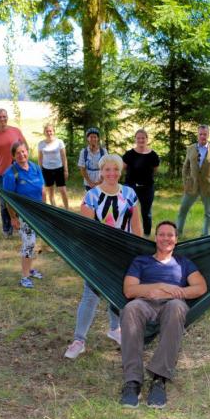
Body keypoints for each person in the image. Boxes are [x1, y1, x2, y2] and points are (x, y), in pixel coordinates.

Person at [119, 221, 207, 409]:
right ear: (156, 238)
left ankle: (159, 379)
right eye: (162, 234)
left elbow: (200, 287)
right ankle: (132, 381)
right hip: (144, 303)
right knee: (130, 309)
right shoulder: (141, 261)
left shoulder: (184, 263)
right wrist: (159, 286)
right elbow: (129, 290)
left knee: (176, 307)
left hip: (172, 303)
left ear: (176, 240)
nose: (166, 238)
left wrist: (173, 293)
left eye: (170, 235)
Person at [65, 154, 144, 359]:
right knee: (90, 295)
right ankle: (79, 340)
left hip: (124, 253)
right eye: (108, 170)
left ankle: (115, 329)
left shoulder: (129, 194)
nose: (112, 173)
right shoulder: (92, 196)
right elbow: (86, 231)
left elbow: (137, 226)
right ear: (101, 172)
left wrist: (140, 250)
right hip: (98, 254)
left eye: (116, 169)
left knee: (119, 293)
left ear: (120, 171)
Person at [2, 141, 46, 289]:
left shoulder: (35, 167)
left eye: (24, 151)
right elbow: (8, 199)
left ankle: (30, 269)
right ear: (13, 156)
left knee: (33, 241)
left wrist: (45, 209)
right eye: (18, 153)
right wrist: (13, 218)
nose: (22, 155)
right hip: (23, 215)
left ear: (27, 151)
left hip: (37, 212)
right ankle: (25, 276)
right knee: (29, 243)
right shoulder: (11, 173)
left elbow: (43, 189)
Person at [0, 108, 26, 237]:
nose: (2, 119)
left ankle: (19, 227)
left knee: (18, 200)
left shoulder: (16, 131)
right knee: (4, 203)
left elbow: (25, 148)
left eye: (4, 116)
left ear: (7, 117)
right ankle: (7, 230)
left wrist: (24, 165)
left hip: (16, 172)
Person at [176, 125, 210, 237]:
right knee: (183, 210)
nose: (202, 136)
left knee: (208, 213)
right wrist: (185, 182)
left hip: (208, 186)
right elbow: (185, 167)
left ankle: (205, 235)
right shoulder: (190, 148)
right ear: (197, 135)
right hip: (192, 186)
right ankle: (178, 233)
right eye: (200, 134)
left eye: (205, 134)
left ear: (208, 135)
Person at [123, 129, 160, 237]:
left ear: (147, 139)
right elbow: (123, 168)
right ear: (135, 139)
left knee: (146, 213)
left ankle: (146, 235)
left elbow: (155, 169)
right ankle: (127, 232)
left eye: (143, 138)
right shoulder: (129, 154)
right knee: (128, 210)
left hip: (147, 187)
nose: (141, 140)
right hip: (130, 186)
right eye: (138, 138)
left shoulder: (153, 155)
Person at [37, 123, 70, 209]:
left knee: (63, 191)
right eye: (47, 131)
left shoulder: (59, 142)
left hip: (59, 169)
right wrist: (39, 171)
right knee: (50, 192)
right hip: (46, 170)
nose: (49, 133)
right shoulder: (41, 144)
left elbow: (64, 157)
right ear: (44, 132)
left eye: (50, 131)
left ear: (54, 132)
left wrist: (66, 170)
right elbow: (40, 158)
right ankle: (54, 210)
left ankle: (67, 210)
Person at [77, 127, 106, 191]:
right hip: (88, 183)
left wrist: (101, 181)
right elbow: (82, 169)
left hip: (102, 182)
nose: (93, 139)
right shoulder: (84, 152)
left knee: (101, 200)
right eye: (91, 137)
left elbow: (106, 167)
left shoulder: (103, 151)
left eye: (95, 137)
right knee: (90, 200)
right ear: (87, 138)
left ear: (98, 138)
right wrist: (90, 183)